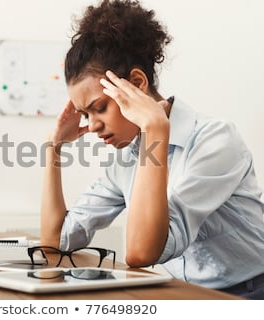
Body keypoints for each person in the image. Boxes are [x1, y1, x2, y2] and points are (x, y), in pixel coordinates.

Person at [40, 0, 264, 299]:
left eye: (100, 108)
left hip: (252, 292)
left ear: (136, 83)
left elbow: (141, 253)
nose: (92, 126)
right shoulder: (126, 159)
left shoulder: (215, 139)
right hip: (187, 293)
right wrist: (53, 150)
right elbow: (54, 243)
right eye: (85, 115)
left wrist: (154, 129)